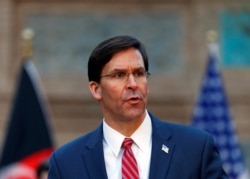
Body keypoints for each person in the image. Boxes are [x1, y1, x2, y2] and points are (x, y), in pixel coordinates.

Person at [48, 35, 228, 178]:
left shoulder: (195, 148)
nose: (133, 84)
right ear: (96, 89)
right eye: (119, 75)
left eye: (139, 73)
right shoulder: (66, 163)